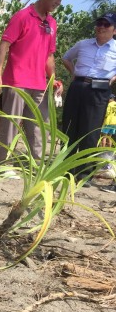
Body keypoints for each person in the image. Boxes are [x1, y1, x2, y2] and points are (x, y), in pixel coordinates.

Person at [0, 0, 74, 173]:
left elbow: (49, 55)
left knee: (38, 126)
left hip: (39, 84)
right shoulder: (22, 16)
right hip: (17, 81)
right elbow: (4, 45)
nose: (58, 2)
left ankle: (35, 166)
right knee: (11, 124)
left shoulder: (52, 23)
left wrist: (53, 79)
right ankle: (2, 166)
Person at [61, 12, 116, 186]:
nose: (101, 27)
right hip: (78, 87)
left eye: (106, 25)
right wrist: (74, 74)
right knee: (70, 128)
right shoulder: (83, 44)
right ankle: (64, 169)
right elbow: (66, 58)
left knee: (90, 132)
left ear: (114, 30)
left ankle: (84, 174)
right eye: (99, 23)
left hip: (99, 91)